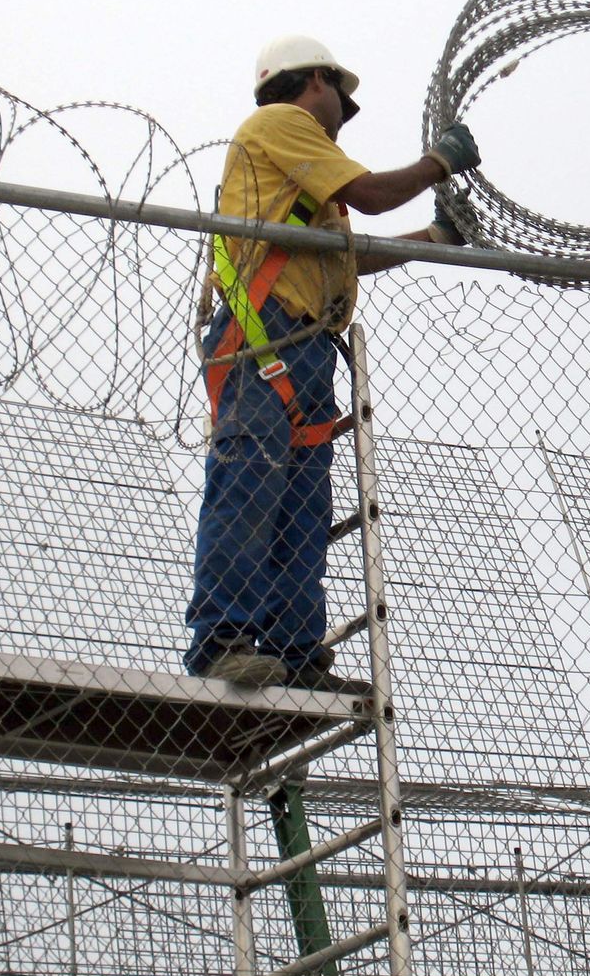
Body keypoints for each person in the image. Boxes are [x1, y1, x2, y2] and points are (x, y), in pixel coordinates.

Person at [185, 34, 479, 690]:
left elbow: (350, 255)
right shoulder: (279, 124)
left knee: (301, 509)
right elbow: (375, 194)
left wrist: (436, 237)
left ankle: (295, 655)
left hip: (304, 348)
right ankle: (222, 641)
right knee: (251, 487)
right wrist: (440, 162)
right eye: (342, 100)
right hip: (264, 342)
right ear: (316, 80)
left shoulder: (309, 179)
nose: (345, 116)